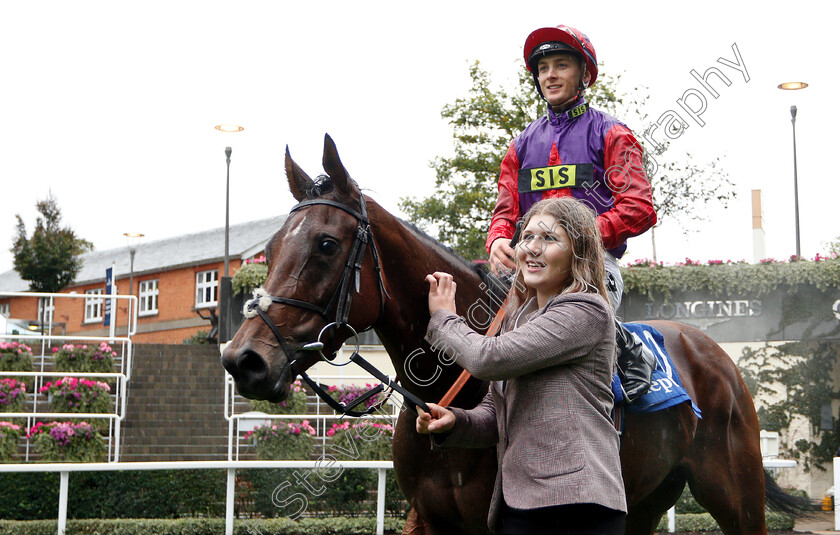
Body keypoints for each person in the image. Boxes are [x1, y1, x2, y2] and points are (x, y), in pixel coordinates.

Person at [418, 197, 626, 535]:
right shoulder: (518, 319)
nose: (531, 248)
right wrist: (455, 422)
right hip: (519, 508)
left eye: (549, 238)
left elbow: (487, 358)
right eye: (527, 237)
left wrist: (443, 318)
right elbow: (496, 415)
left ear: (579, 253)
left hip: (577, 510)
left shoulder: (586, 311)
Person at [486, 25, 657, 402]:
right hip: (529, 268)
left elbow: (639, 208)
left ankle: (627, 349)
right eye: (543, 68)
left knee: (578, 325)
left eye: (561, 65)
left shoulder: (613, 134)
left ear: (584, 74)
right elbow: (505, 208)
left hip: (592, 265)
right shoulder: (521, 145)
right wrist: (499, 236)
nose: (550, 75)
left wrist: (577, 237)